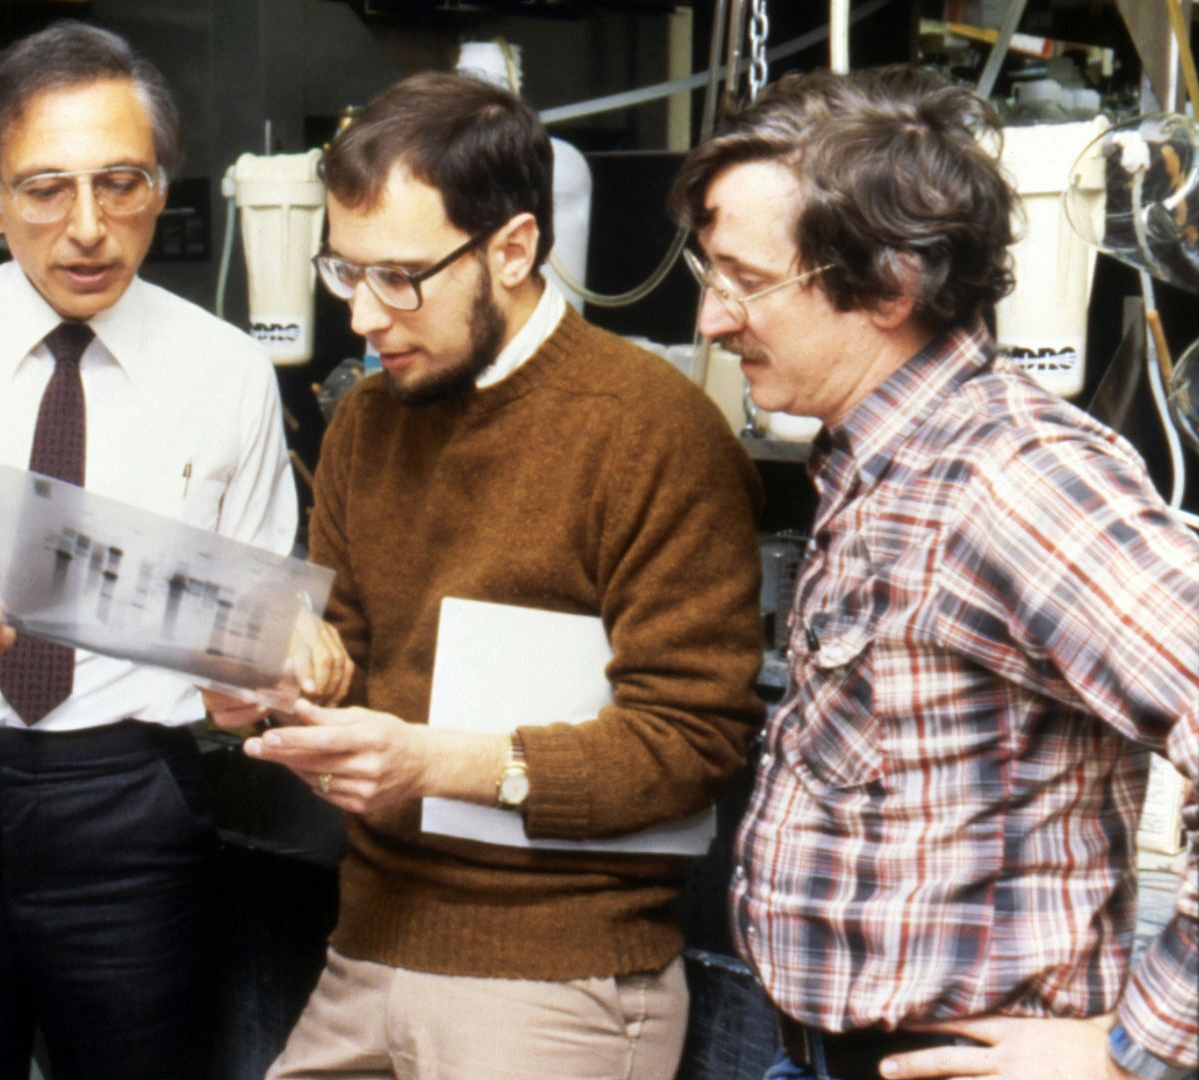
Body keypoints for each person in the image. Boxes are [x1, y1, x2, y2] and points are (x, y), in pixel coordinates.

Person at [0, 21, 338, 1080]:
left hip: (132, 811)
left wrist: (274, 665)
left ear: (162, 184)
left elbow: (248, 627)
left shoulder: (226, 370)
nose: (89, 227)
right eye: (46, 190)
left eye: (122, 183)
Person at [226, 71, 767, 1079]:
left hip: (556, 979)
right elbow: (346, 662)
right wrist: (273, 684)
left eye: (400, 277)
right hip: (367, 948)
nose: (364, 318)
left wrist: (436, 763)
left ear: (513, 249)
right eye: (345, 274)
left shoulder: (653, 432)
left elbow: (690, 743)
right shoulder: (364, 422)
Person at [666, 66, 1199, 1080]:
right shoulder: (879, 459)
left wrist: (1138, 1047)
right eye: (711, 276)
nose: (713, 320)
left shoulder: (1009, 480)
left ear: (890, 288)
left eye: (744, 281)